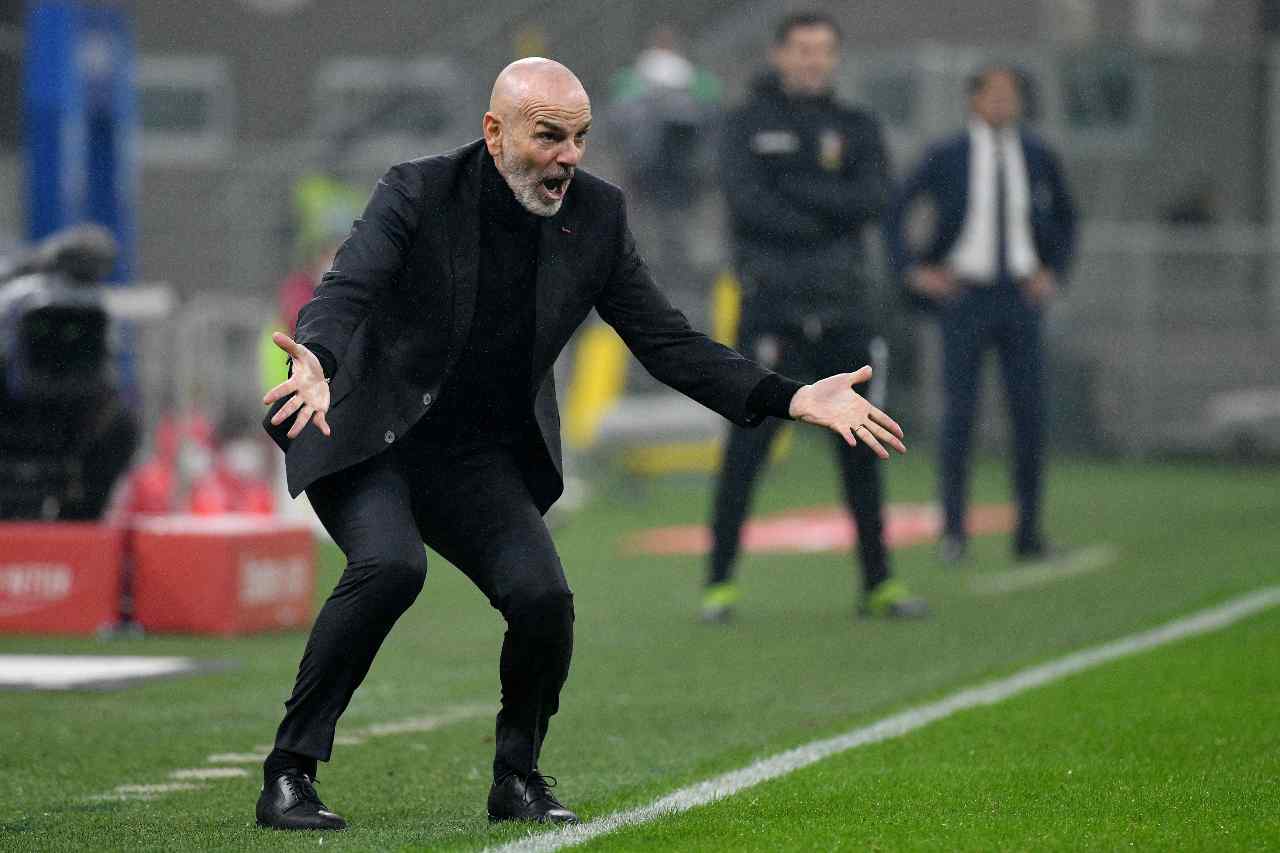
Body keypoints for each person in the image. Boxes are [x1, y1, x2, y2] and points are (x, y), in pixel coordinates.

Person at [256, 57, 909, 831]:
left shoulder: (597, 215)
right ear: (494, 133)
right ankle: (289, 771)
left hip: (476, 456)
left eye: (581, 137)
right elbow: (347, 287)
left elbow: (668, 342)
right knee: (392, 565)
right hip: (372, 431)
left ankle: (517, 777)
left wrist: (790, 396)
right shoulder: (418, 189)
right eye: (549, 136)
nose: (568, 156)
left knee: (544, 598)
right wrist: (316, 359)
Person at [702, 12, 927, 623]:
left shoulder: (857, 125)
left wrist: (794, 190)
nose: (812, 59)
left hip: (845, 310)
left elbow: (874, 200)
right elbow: (750, 206)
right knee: (747, 447)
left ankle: (879, 582)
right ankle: (718, 584)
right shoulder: (745, 124)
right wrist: (829, 208)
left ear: (835, 57)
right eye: (801, 49)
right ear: (779, 54)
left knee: (863, 445)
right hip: (770, 311)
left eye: (823, 49)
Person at [884, 65, 1077, 564]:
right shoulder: (948, 154)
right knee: (959, 417)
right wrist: (913, 270)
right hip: (964, 299)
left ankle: (1029, 533)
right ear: (973, 99)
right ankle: (953, 533)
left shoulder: (1036, 154)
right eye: (993, 94)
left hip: (1020, 299)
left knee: (1030, 416)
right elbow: (896, 207)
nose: (1002, 103)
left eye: (1010, 94)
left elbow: (1067, 216)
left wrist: (1053, 271)